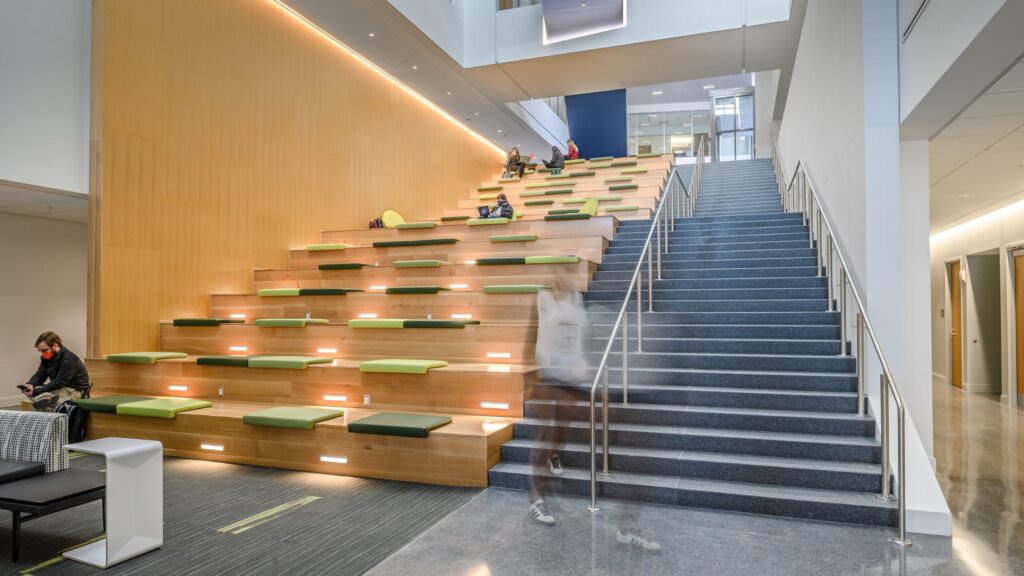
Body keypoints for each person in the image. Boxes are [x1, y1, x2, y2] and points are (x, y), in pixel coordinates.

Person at [20, 331, 90, 412]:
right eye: (40, 351)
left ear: (55, 345)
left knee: (40, 397)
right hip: (60, 388)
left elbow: (59, 382)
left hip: (74, 391)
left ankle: (50, 402)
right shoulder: (46, 357)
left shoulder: (69, 359)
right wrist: (30, 385)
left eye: (45, 350)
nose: (43, 354)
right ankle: (48, 401)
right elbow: (40, 375)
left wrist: (35, 392)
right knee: (34, 389)